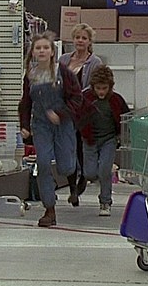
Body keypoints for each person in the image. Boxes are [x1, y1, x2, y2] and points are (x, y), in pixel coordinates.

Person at [19, 32, 83, 227]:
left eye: (45, 47)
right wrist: (24, 125)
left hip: (63, 124)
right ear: (33, 52)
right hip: (41, 126)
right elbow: (25, 102)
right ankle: (49, 209)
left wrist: (61, 114)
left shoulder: (64, 72)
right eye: (38, 48)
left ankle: (76, 174)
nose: (42, 51)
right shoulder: (30, 75)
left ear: (52, 52)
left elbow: (77, 98)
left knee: (66, 167)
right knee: (43, 163)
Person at [57, 23, 103, 206]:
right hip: (66, 111)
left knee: (81, 147)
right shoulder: (63, 59)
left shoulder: (95, 62)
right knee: (68, 147)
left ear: (89, 41)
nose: (80, 41)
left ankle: (83, 177)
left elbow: (96, 87)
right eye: (77, 37)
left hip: (83, 111)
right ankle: (72, 189)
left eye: (84, 38)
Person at [78, 65, 130, 216]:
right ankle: (93, 177)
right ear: (93, 87)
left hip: (109, 140)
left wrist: (124, 136)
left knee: (105, 171)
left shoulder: (116, 100)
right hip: (89, 140)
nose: (101, 91)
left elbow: (127, 118)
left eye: (104, 88)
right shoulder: (85, 98)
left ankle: (105, 202)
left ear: (110, 87)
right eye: (98, 88)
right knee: (89, 173)